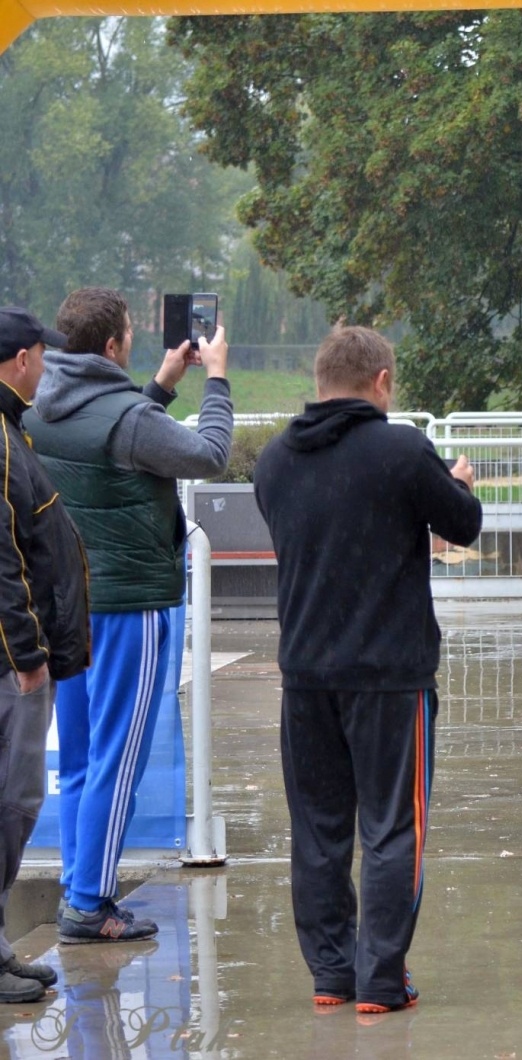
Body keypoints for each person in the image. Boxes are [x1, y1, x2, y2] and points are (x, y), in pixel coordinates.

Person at [254, 326, 482, 1013]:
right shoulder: (402, 449)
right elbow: (462, 525)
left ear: (321, 379)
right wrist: (455, 484)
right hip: (389, 671)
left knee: (319, 828)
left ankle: (330, 975)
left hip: (305, 671)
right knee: (390, 827)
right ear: (381, 380)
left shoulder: (274, 458)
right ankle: (382, 979)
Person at [24, 287, 233, 945]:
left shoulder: (44, 403)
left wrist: (160, 386)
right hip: (130, 607)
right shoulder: (129, 417)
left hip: (69, 608)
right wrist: (217, 378)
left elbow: (108, 438)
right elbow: (209, 454)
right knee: (121, 757)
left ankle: (81, 889)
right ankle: (89, 903)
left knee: (84, 758)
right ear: (113, 345)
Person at [0, 308, 89, 1001]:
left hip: (17, 660)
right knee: (13, 801)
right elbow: (3, 561)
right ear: (20, 358)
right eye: (41, 355)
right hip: (11, 668)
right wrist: (26, 652)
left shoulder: (10, 431)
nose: (46, 367)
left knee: (17, 800)